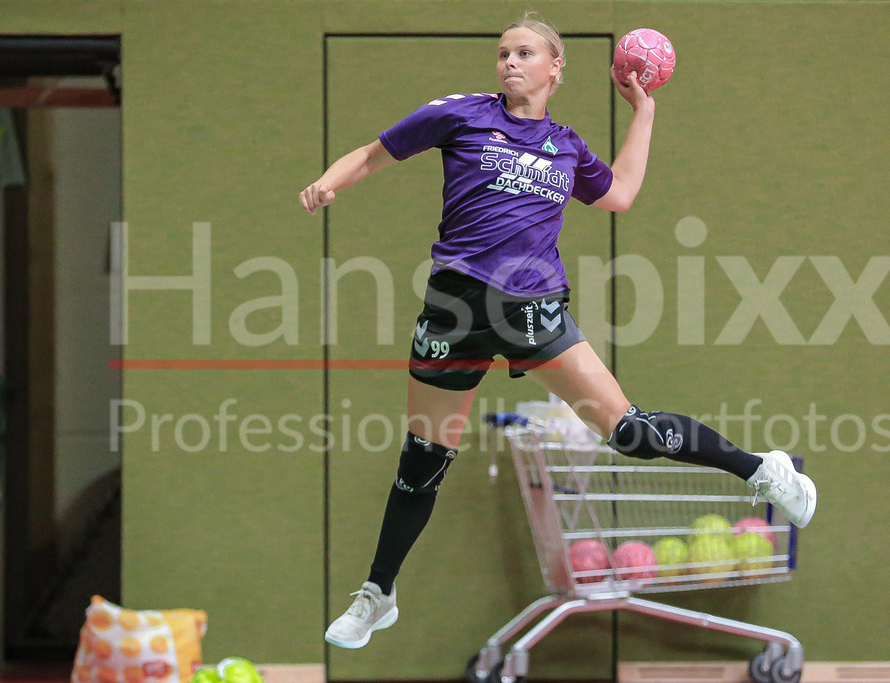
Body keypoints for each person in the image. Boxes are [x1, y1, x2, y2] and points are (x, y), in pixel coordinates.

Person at [299, 14, 817, 650]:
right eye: (503, 53)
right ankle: (378, 594)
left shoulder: (565, 145)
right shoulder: (460, 115)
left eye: (524, 53)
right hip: (454, 310)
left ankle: (763, 471)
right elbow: (377, 152)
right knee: (421, 459)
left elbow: (620, 193)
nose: (509, 63)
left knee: (629, 431)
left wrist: (643, 111)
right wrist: (330, 181)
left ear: (554, 68)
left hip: (532, 311)